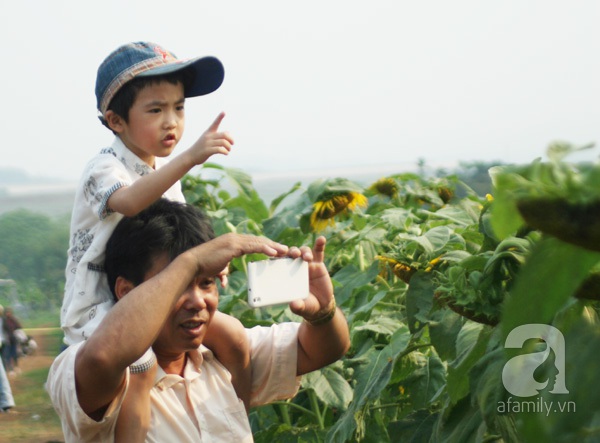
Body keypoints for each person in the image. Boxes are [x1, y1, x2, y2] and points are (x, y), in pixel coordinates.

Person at [59, 42, 248, 442]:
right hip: (99, 307)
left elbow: (182, 241)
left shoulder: (162, 173)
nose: (172, 123)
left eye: (179, 108)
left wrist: (212, 261)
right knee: (140, 362)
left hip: (150, 297)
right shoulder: (102, 168)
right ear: (116, 121)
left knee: (231, 336)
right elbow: (128, 203)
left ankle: (235, 416)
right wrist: (191, 157)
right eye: (156, 110)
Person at [47, 199, 351, 442]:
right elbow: (103, 356)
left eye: (206, 283)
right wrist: (191, 262)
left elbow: (323, 349)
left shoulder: (219, 354)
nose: (198, 301)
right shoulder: (91, 370)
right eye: (178, 285)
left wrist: (323, 313)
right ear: (126, 291)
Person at [2, 307, 22, 376]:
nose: (8, 313)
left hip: (14, 340)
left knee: (15, 354)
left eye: (9, 312)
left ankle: (16, 367)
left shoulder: (13, 319)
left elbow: (19, 326)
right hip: (7, 340)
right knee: (8, 355)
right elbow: (3, 330)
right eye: (7, 312)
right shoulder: (4, 321)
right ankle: (10, 369)